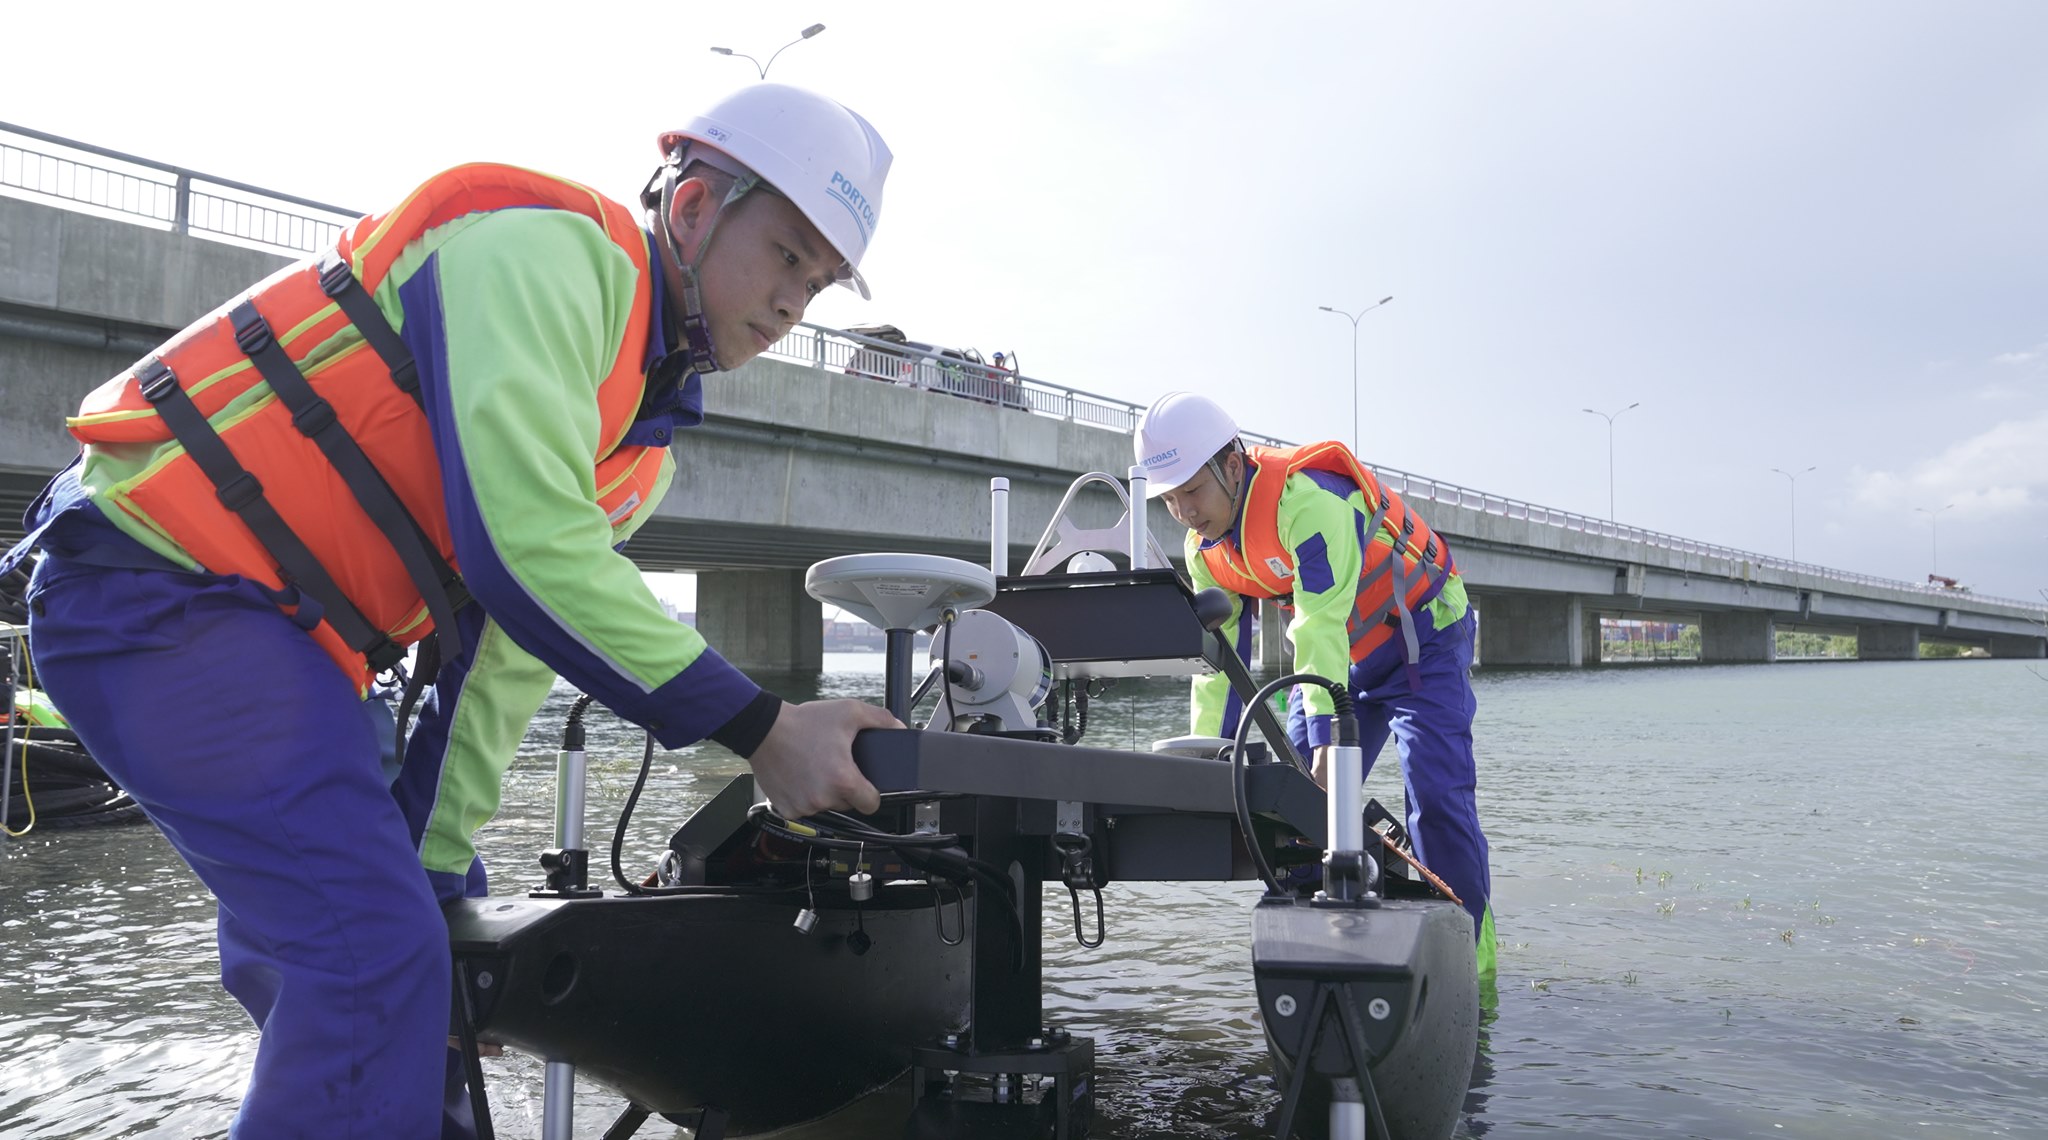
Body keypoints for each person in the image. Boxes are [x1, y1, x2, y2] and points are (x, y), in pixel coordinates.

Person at [0, 83, 901, 1137]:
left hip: (277, 643)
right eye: (787, 254)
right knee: (366, 960)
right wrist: (761, 728)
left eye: (822, 281)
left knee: (393, 958)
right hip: (159, 583)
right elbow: (520, 550)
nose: (797, 299)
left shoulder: (633, 449)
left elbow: (501, 661)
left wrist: (438, 885)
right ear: (695, 208)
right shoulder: (544, 252)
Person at [1134, 391, 1496, 976]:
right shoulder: (1202, 549)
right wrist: (1203, 760)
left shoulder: (1308, 502)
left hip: (1423, 643)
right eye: (1169, 499)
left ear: (1231, 465)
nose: (1185, 511)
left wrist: (1332, 738)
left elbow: (1318, 622)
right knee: (1296, 803)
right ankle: (1322, 951)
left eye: (1192, 491)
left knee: (1435, 797)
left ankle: (1471, 961)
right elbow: (1219, 662)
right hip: (1346, 661)